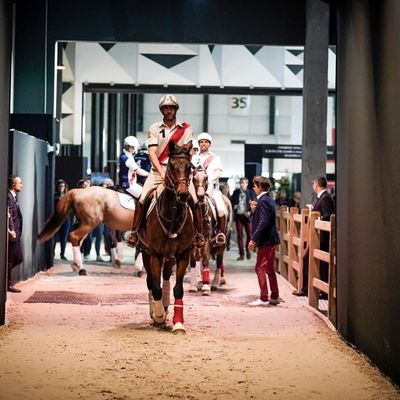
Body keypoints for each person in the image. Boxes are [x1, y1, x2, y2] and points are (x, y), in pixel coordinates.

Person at [126, 94, 204, 248]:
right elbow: (152, 153)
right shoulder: (154, 128)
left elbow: (186, 152)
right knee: (142, 199)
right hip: (158, 171)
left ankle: (199, 235)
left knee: (194, 200)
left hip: (179, 172)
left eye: (171, 108)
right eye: (166, 108)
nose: (169, 110)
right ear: (162, 110)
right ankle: (134, 233)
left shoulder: (185, 128)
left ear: (176, 109)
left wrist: (178, 171)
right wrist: (162, 173)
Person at [293, 176, 335, 296]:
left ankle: (309, 290)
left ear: (317, 185)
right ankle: (313, 290)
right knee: (318, 263)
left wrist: (314, 216)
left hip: (322, 238)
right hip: (319, 237)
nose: (312, 186)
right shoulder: (323, 197)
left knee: (314, 261)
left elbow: (328, 216)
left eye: (313, 184)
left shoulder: (326, 198)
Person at [247, 176, 280, 306]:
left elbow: (263, 222)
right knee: (270, 269)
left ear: (260, 187)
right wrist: (255, 210)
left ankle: (264, 297)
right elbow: (263, 218)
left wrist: (253, 240)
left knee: (260, 268)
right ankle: (275, 295)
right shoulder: (267, 199)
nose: (254, 188)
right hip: (271, 240)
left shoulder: (264, 201)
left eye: (255, 186)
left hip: (266, 241)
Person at [192, 132, 227, 245]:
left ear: (209, 144)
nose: (203, 144)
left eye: (206, 142)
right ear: (199, 144)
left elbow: (218, 173)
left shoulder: (215, 158)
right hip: (196, 190)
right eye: (201, 142)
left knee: (221, 208)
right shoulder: (194, 158)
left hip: (211, 189)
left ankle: (220, 233)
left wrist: (206, 180)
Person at [231, 177, 256, 260]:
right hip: (239, 216)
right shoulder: (236, 192)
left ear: (247, 184)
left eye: (244, 183)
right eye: (241, 183)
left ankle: (248, 251)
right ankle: (241, 254)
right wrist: (236, 206)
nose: (242, 184)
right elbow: (231, 203)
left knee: (250, 235)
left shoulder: (251, 193)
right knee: (240, 235)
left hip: (248, 217)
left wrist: (250, 212)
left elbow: (255, 204)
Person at [7, 175, 23, 293]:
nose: (21, 185)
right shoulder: (9, 197)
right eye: (20, 183)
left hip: (16, 233)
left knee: (18, 258)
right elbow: (10, 216)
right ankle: (8, 284)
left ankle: (5, 279)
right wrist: (11, 231)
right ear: (13, 185)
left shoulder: (13, 197)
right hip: (13, 234)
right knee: (11, 259)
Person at [54, 179, 71, 260]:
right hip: (56, 218)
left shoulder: (67, 196)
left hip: (65, 219)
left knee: (64, 237)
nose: (61, 188)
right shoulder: (54, 195)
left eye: (63, 186)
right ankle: (52, 253)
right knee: (54, 237)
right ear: (57, 187)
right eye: (60, 186)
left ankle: (62, 254)